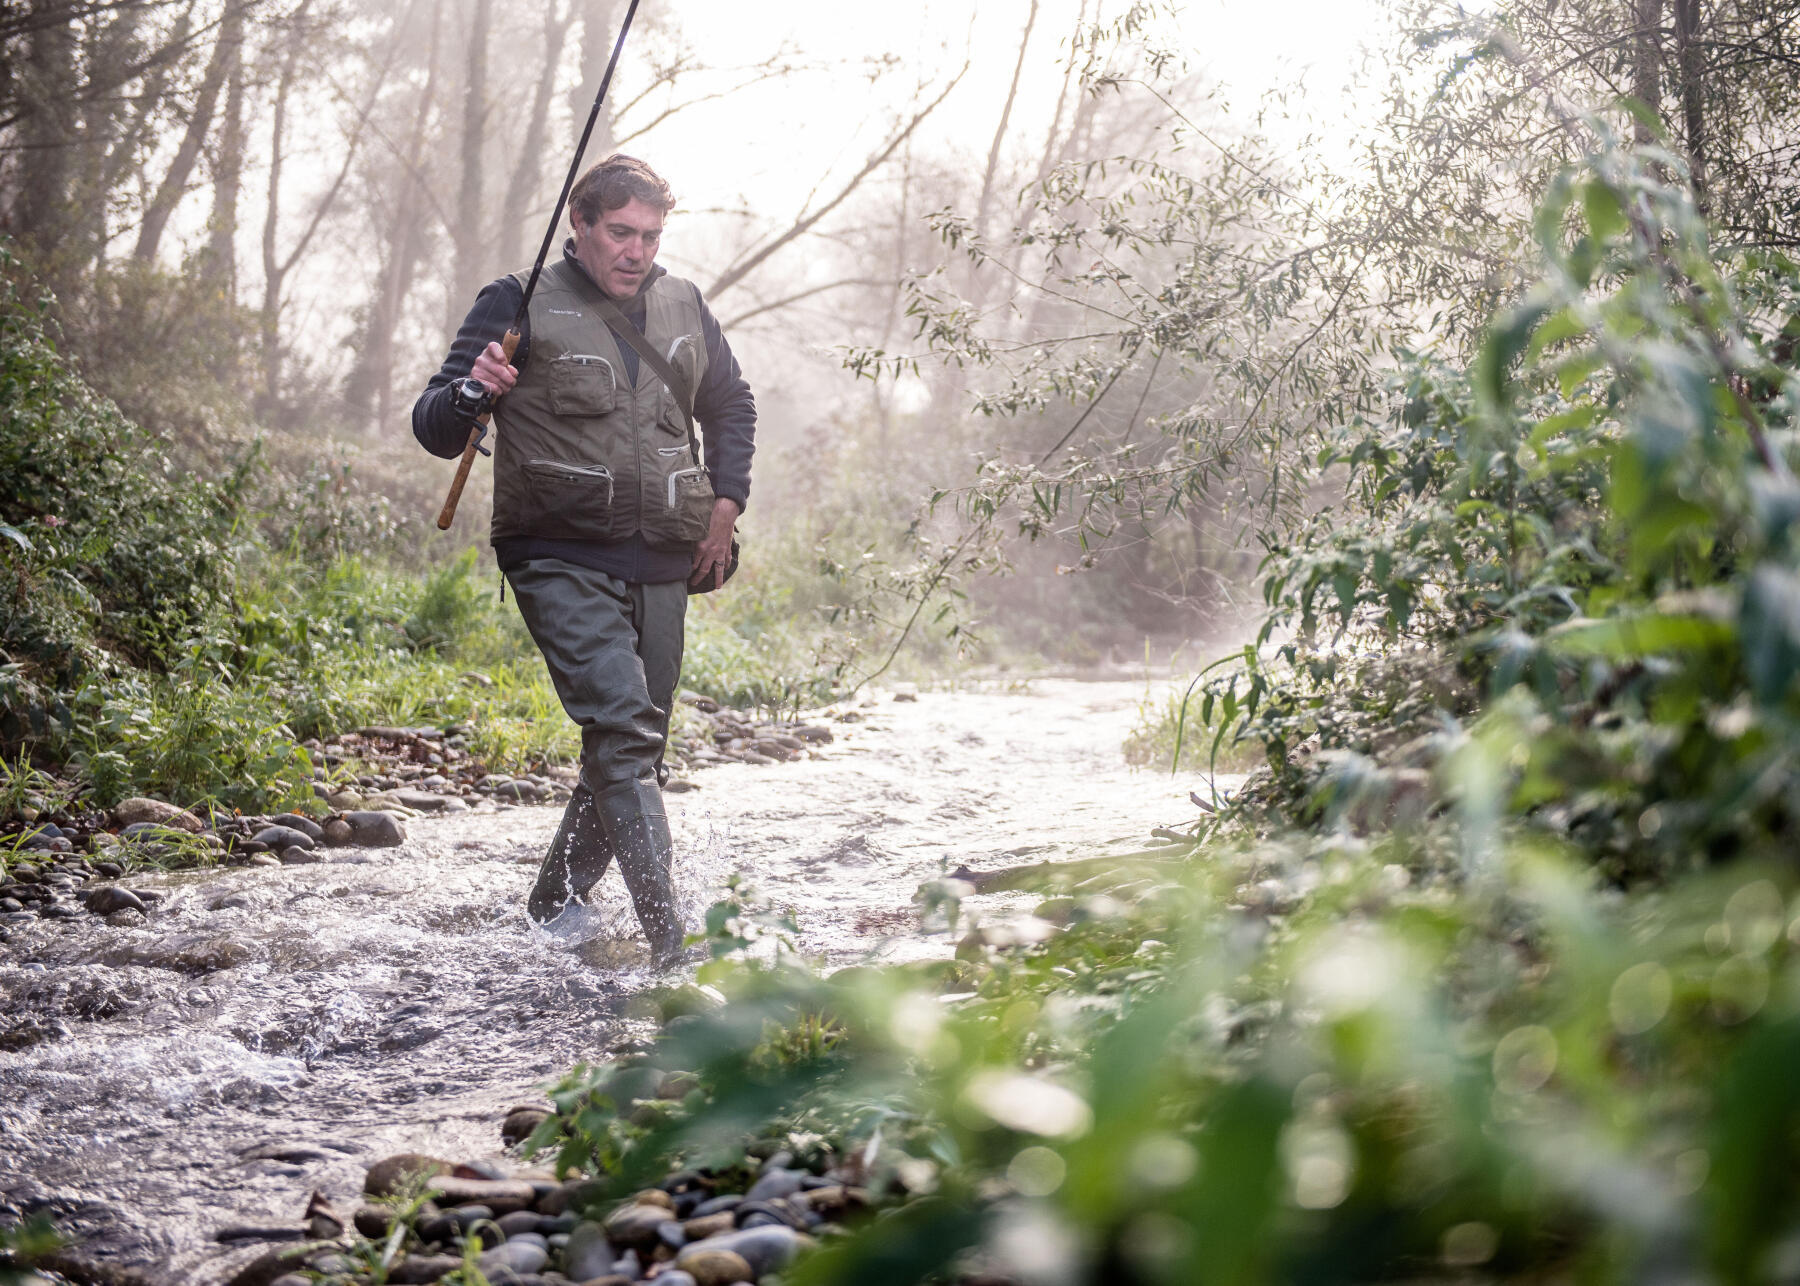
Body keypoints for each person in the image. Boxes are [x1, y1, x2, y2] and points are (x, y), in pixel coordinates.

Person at [412, 154, 754, 963]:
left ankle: (553, 907)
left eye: (651, 236)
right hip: (556, 552)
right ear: (581, 223)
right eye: (621, 233)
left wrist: (725, 509)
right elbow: (434, 425)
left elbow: (731, 403)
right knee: (623, 728)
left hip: (666, 553)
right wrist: (474, 391)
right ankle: (673, 949)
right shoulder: (517, 300)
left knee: (631, 746)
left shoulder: (684, 303)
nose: (637, 252)